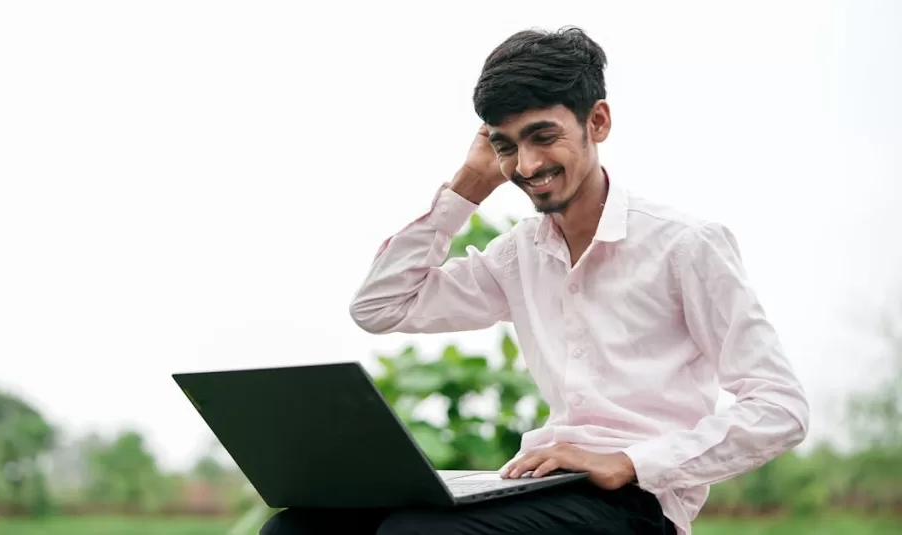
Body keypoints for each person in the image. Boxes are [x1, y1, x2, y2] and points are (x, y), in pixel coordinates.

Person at [261, 26, 809, 535]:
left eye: (542, 136)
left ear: (597, 122)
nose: (525, 164)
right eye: (505, 145)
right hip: (539, 487)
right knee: (297, 528)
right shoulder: (518, 255)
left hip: (638, 503)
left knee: (415, 534)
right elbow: (380, 307)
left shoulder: (686, 244)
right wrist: (468, 188)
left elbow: (780, 408)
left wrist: (628, 462)